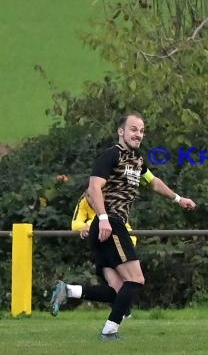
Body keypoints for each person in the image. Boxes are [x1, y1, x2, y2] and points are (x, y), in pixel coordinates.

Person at [50, 112, 197, 340]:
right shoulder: (110, 156)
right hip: (112, 224)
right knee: (136, 280)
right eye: (133, 129)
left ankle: (68, 291)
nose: (138, 134)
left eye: (141, 131)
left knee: (118, 290)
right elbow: (93, 188)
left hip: (107, 226)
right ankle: (109, 332)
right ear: (121, 131)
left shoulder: (138, 161)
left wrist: (179, 199)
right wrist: (105, 218)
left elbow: (154, 182)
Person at [70, 192, 137, 318]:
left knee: (127, 282)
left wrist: (89, 225)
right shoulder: (84, 201)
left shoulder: (110, 201)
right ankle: (122, 315)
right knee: (118, 284)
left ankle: (70, 290)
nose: (92, 199)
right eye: (88, 195)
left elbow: (113, 222)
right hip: (103, 244)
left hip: (120, 242)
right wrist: (84, 226)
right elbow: (75, 224)